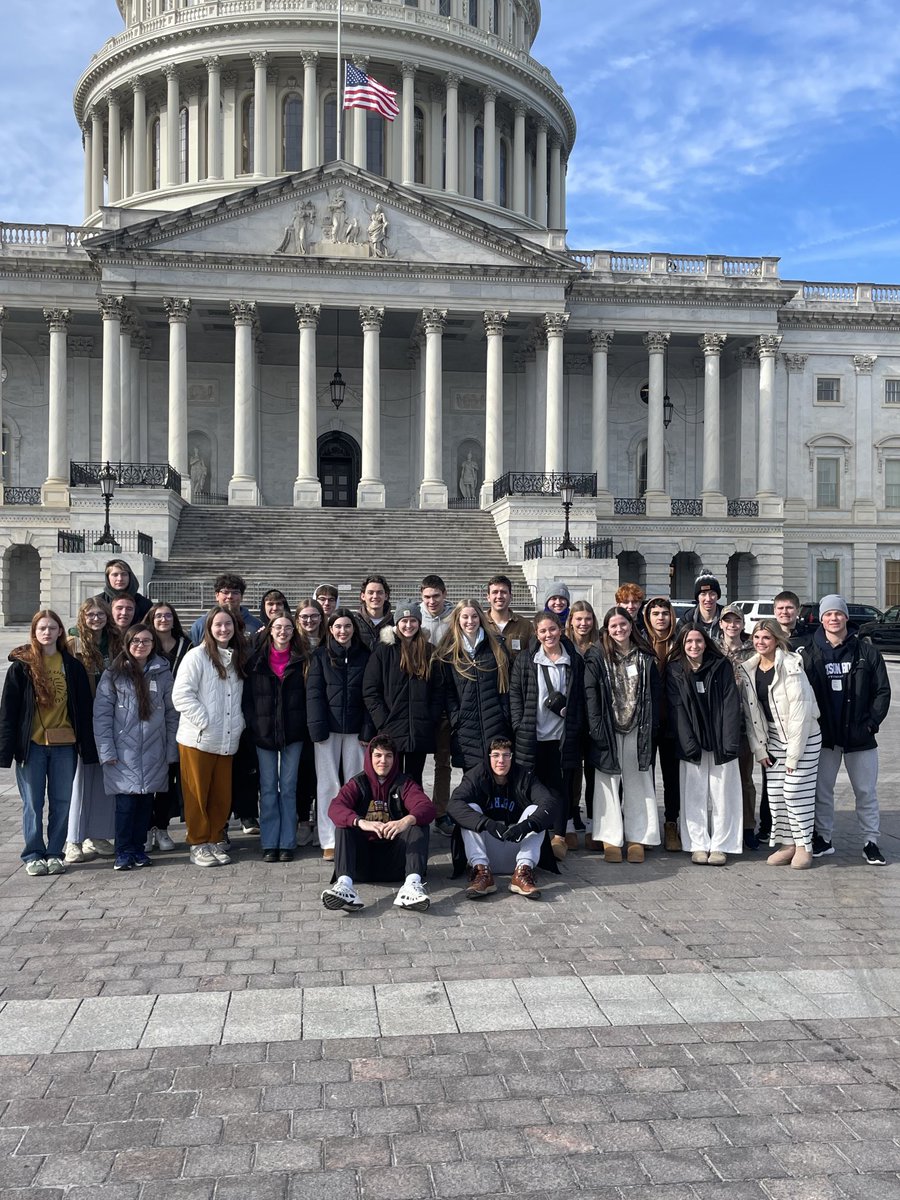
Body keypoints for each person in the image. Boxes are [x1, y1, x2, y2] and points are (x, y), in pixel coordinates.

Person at [0, 610, 97, 877]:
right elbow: (8, 711)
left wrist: (88, 748)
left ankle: (55, 852)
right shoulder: (22, 666)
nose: (47, 632)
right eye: (42, 628)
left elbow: (83, 709)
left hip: (65, 745)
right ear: (34, 632)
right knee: (32, 803)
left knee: (62, 801)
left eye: (52, 628)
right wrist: (5, 750)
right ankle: (33, 853)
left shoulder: (71, 665)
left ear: (59, 632)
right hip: (31, 747)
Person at [801, 594, 891, 865]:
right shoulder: (810, 652)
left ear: (846, 617)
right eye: (828, 614)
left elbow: (882, 692)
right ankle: (824, 838)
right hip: (826, 736)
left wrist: (872, 723)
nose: (833, 618)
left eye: (838, 613)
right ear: (821, 618)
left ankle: (870, 841)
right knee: (823, 790)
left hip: (859, 736)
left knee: (865, 791)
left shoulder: (867, 652)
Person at [93, 624, 179, 871]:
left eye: (146, 641)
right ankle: (123, 851)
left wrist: (171, 749)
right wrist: (107, 750)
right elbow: (102, 716)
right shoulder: (113, 674)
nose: (141, 645)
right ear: (127, 645)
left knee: (145, 804)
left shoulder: (162, 672)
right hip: (123, 753)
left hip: (154, 751)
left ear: (153, 645)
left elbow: (173, 713)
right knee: (126, 805)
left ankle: (139, 849)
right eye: (135, 641)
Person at [739, 620, 821, 870]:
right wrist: (760, 749)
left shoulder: (792, 666)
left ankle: (804, 845)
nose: (760, 642)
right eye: (756, 637)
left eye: (766, 638)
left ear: (776, 640)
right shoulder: (748, 670)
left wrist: (794, 757)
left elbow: (800, 714)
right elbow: (751, 715)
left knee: (795, 793)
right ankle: (787, 844)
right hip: (772, 738)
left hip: (803, 736)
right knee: (775, 796)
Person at [321, 736, 435, 913]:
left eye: (388, 756)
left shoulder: (404, 783)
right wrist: (360, 822)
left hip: (396, 863)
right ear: (369, 757)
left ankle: (412, 885)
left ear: (395, 759)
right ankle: (344, 886)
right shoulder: (357, 783)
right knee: (343, 825)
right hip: (362, 863)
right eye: (378, 755)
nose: (383, 761)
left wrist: (406, 820)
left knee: (418, 823)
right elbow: (335, 808)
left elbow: (426, 807)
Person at [172, 605, 248, 868]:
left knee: (220, 795)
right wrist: (205, 721)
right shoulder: (196, 656)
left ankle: (216, 837)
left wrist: (237, 724)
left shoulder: (237, 657)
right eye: (218, 624)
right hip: (198, 739)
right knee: (197, 794)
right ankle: (198, 841)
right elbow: (181, 695)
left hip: (227, 739)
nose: (223, 629)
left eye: (228, 624)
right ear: (209, 628)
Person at [584, 606, 660, 864]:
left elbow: (654, 694)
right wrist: (595, 727)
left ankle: (638, 837)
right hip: (608, 726)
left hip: (638, 726)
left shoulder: (645, 655)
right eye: (614, 626)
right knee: (607, 783)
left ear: (631, 625)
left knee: (639, 781)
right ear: (607, 628)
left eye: (623, 624)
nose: (619, 629)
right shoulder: (597, 654)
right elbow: (590, 693)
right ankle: (609, 837)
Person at [509, 610, 585, 860]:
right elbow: (516, 694)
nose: (548, 634)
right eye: (542, 631)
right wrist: (519, 724)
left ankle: (559, 836)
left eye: (552, 629)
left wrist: (575, 725)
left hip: (560, 737)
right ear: (536, 633)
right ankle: (533, 833)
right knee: (531, 787)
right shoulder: (526, 659)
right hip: (532, 734)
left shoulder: (573, 659)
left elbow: (580, 697)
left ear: (560, 629)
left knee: (559, 787)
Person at [666, 626, 742, 864]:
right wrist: (688, 743)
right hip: (693, 744)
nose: (694, 646)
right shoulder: (675, 670)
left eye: (699, 641)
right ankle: (697, 844)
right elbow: (675, 708)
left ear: (706, 643)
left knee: (723, 795)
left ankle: (721, 844)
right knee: (694, 795)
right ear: (682, 644)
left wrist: (730, 741)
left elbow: (731, 703)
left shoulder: (721, 666)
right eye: (689, 641)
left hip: (721, 741)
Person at [447, 737, 559, 900]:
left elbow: (550, 804)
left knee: (535, 811)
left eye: (506, 755)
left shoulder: (524, 776)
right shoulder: (476, 776)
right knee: (470, 809)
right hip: (486, 851)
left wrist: (527, 825)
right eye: (496, 755)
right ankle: (482, 874)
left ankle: (522, 873)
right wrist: (485, 823)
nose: (501, 761)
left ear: (512, 757)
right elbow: (453, 805)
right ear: (488, 756)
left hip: (517, 849)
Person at [307, 608, 374, 861]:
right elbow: (314, 694)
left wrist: (368, 728)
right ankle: (329, 839)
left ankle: (355, 834)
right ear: (330, 630)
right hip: (328, 731)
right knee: (328, 785)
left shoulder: (365, 656)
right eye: (337, 627)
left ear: (353, 629)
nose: (342, 631)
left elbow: (370, 694)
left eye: (347, 626)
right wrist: (316, 728)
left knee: (356, 783)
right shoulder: (321, 655)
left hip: (357, 730)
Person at [242, 615, 308, 862]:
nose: (283, 631)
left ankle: (287, 842)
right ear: (269, 630)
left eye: (288, 627)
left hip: (293, 733)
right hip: (264, 731)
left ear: (294, 631)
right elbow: (246, 698)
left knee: (288, 788)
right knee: (268, 788)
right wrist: (253, 724)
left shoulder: (302, 659)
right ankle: (270, 842)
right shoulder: (256, 660)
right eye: (278, 627)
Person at [363, 600, 443, 786]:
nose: (408, 625)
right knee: (391, 778)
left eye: (413, 620)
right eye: (404, 621)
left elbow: (439, 690)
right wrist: (383, 719)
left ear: (419, 622)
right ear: (397, 623)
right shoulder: (384, 651)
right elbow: (370, 689)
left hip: (419, 728)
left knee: (415, 779)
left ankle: (415, 814)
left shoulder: (429, 651)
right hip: (392, 727)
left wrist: (430, 716)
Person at [64, 598, 119, 863]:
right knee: (78, 781)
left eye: (100, 613)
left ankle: (96, 834)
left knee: (102, 778)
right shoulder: (72, 644)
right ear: (82, 616)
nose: (96, 618)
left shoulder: (115, 643)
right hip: (82, 720)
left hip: (109, 719)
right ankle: (72, 839)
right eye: (90, 614)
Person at [433, 599, 511, 773]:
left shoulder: (495, 646)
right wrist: (456, 718)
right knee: (472, 779)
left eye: (475, 616)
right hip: (466, 728)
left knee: (497, 777)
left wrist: (503, 714)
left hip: (495, 723)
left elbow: (505, 685)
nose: (470, 621)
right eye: (465, 617)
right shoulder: (450, 651)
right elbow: (448, 691)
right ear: (457, 619)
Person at [141, 602, 192, 852]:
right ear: (151, 618)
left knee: (169, 775)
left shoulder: (186, 644)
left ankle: (161, 827)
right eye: (158, 616)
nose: (163, 619)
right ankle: (146, 828)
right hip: (149, 717)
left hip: (179, 717)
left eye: (168, 615)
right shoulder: (143, 644)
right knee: (148, 773)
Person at [717, 603, 759, 850]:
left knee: (745, 778)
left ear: (743, 624)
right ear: (720, 624)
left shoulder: (752, 650)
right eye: (728, 621)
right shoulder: (712, 647)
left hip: (745, 722)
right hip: (720, 723)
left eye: (737, 621)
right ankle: (724, 825)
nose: (732, 625)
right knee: (720, 780)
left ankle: (748, 826)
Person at [642, 595, 680, 853]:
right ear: (648, 617)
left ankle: (671, 823)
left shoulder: (680, 642)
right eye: (655, 613)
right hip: (646, 719)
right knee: (645, 775)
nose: (660, 618)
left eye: (665, 613)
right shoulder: (641, 643)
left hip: (674, 720)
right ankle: (646, 825)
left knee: (672, 777)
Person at [420, 574, 455, 833]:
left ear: (444, 595)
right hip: (420, 697)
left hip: (446, 694)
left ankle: (441, 811)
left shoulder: (455, 618)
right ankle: (418, 810)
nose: (432, 601)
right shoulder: (413, 617)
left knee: (443, 762)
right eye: (427, 597)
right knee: (415, 762)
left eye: (436, 596)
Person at [564, 600, 599, 849]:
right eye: (579, 619)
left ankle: (593, 822)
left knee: (595, 772)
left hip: (595, 716)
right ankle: (570, 815)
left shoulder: (600, 645)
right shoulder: (565, 645)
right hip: (572, 716)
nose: (583, 623)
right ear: (571, 621)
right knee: (572, 771)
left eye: (587, 619)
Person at [292, 596, 326, 843]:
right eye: (305, 616)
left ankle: (321, 819)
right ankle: (303, 819)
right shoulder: (292, 643)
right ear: (297, 619)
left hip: (324, 714)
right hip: (298, 715)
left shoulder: (328, 641)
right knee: (303, 772)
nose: (310, 620)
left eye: (314, 616)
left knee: (323, 772)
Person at [190, 573, 262, 646]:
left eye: (235, 593)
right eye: (225, 592)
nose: (230, 596)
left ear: (242, 597)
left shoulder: (255, 625)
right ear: (217, 595)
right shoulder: (200, 625)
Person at [483, 574, 533, 660]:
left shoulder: (526, 626)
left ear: (511, 597)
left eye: (504, 592)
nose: (499, 596)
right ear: (488, 597)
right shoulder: (480, 623)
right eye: (495, 592)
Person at [676, 573, 724, 639]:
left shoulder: (727, 618)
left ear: (717, 596)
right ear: (697, 597)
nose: (708, 599)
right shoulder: (686, 621)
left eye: (712, 594)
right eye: (703, 594)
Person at [356, 573, 393, 650]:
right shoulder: (354, 623)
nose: (375, 596)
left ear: (386, 596)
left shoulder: (395, 623)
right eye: (370, 592)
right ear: (363, 596)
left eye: (379, 592)